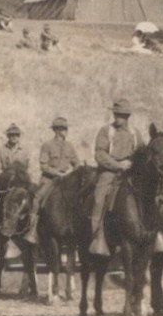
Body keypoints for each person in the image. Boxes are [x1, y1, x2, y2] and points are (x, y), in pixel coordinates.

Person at [89, 100, 139, 256]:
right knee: (99, 199)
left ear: (127, 116)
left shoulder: (135, 133)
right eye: (116, 115)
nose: (118, 118)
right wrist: (118, 165)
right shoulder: (106, 131)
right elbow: (100, 153)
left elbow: (141, 152)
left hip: (131, 172)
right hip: (109, 171)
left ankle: (153, 233)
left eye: (122, 116)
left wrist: (132, 164)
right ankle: (97, 235)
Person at [24, 116, 80, 246]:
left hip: (66, 180)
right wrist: (57, 173)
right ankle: (32, 229)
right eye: (63, 128)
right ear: (56, 130)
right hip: (50, 179)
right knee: (38, 198)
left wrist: (73, 172)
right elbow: (44, 166)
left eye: (66, 128)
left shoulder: (70, 146)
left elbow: (76, 163)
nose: (66, 130)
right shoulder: (47, 145)